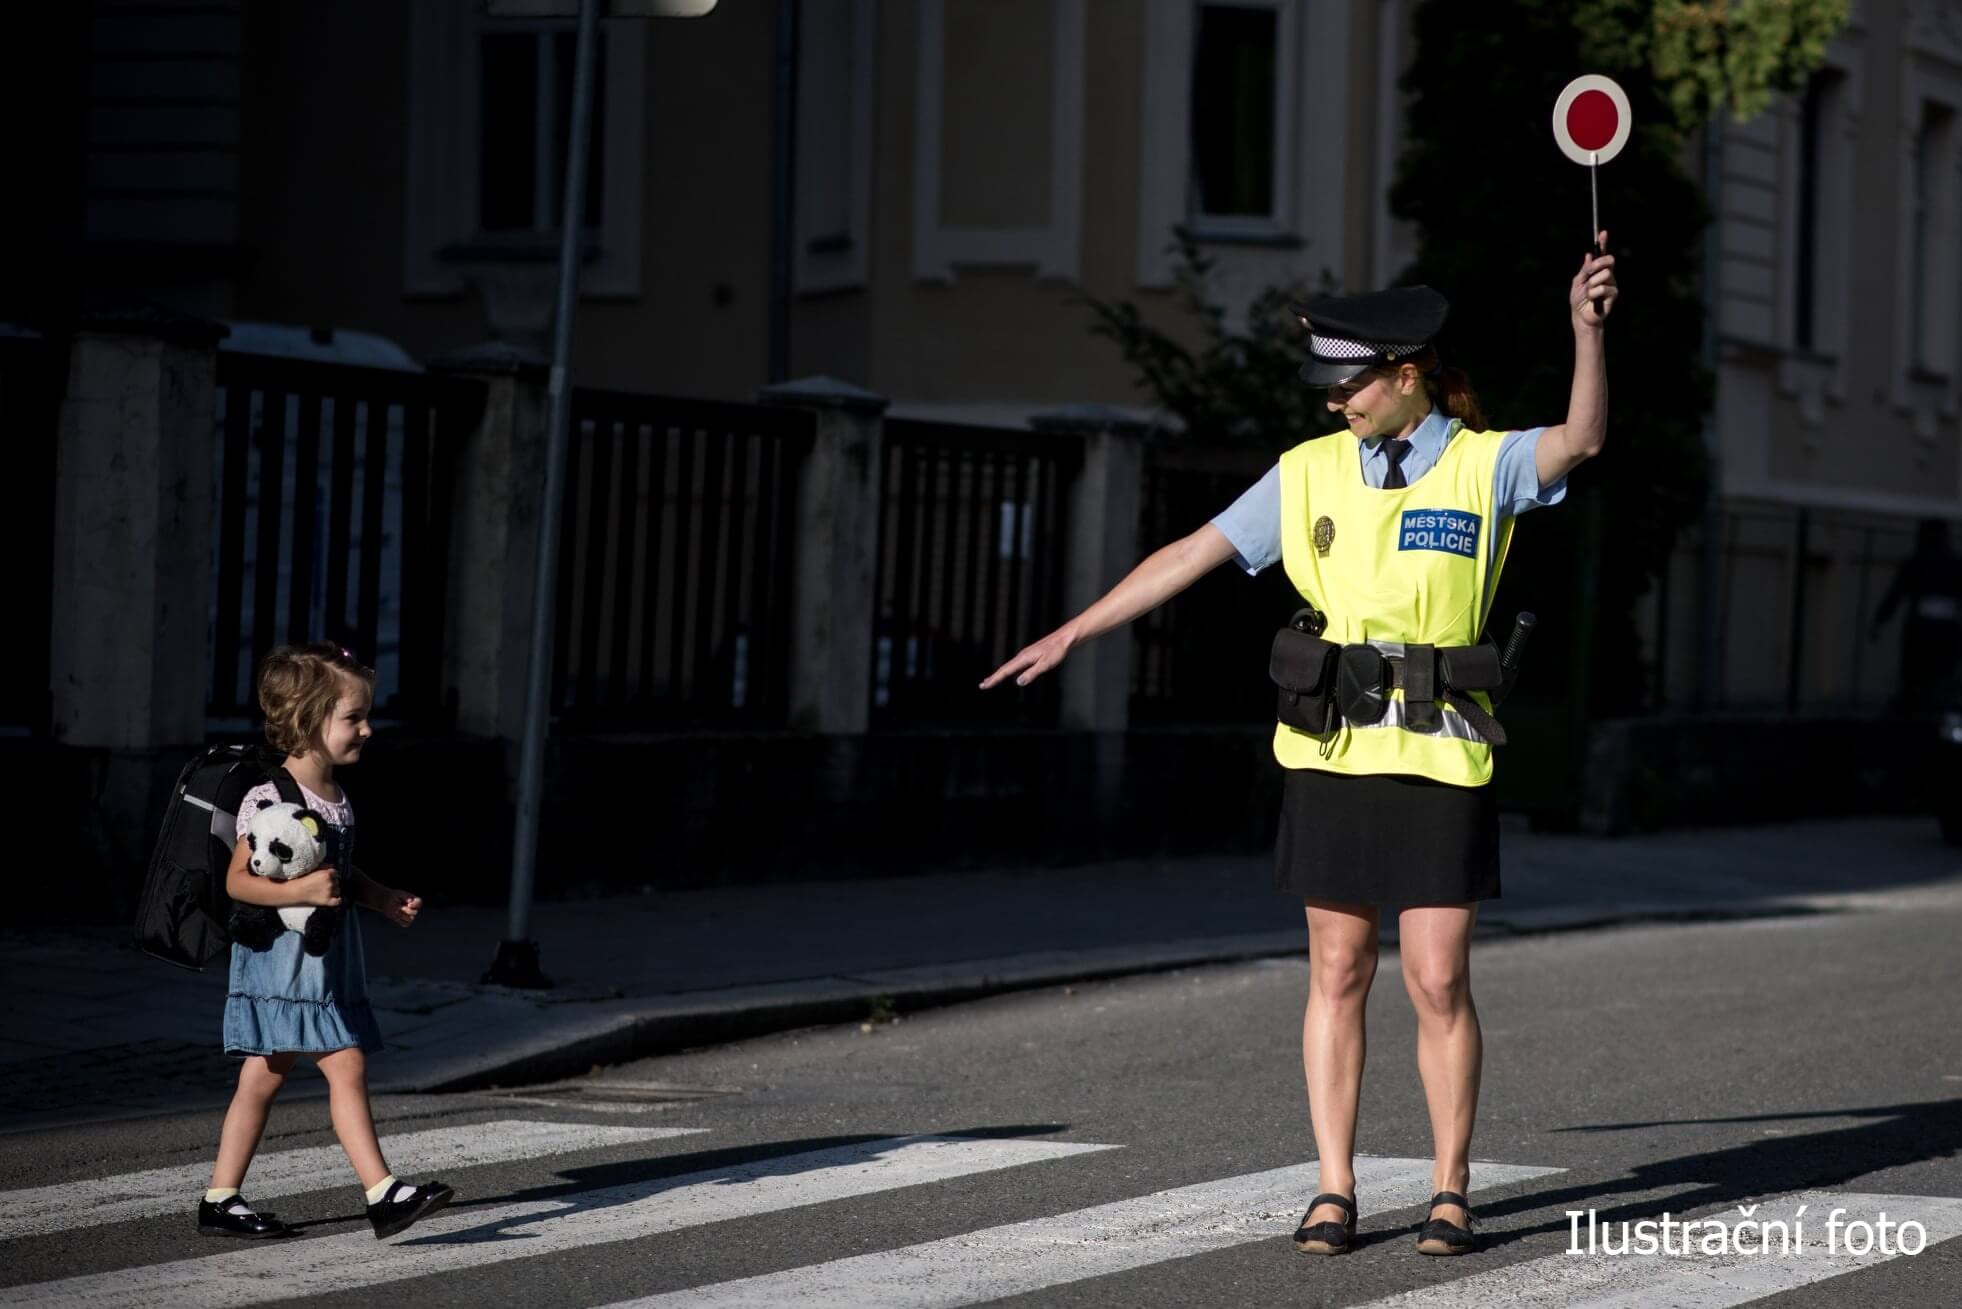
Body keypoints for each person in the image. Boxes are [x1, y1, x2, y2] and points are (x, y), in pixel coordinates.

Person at [982, 237, 1618, 1257]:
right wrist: (1075, 629)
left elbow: (1580, 442)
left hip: (1441, 748)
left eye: (1350, 386)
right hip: (1331, 749)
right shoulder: (1308, 472)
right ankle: (1335, 1186)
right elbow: (1192, 551)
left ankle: (1452, 1186)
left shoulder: (1480, 460)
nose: (1334, 403)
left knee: (1438, 976)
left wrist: (1586, 332)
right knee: (1334, 966)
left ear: (1406, 377)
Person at [200, 642, 454, 1241]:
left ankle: (220, 1197)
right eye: (353, 717)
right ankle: (383, 1192)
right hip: (281, 964)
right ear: (308, 721)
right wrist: (306, 892)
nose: (368, 728)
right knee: (346, 1063)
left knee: (262, 1078)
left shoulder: (335, 798)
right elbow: (240, 881)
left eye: (367, 715)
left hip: (324, 961)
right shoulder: (270, 799)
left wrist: (382, 898)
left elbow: (340, 872)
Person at [1869, 517, 1962, 708]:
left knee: (1916, 676)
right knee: (1939, 677)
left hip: (1920, 630)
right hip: (1944, 631)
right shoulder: (1953, 565)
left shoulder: (1915, 563)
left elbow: (1894, 595)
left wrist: (1879, 621)